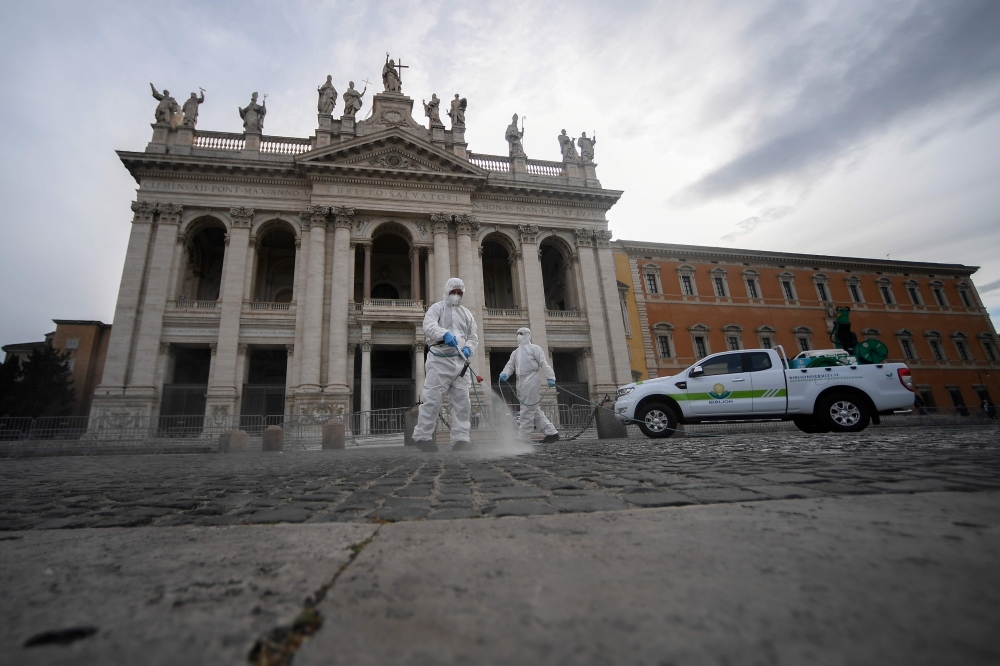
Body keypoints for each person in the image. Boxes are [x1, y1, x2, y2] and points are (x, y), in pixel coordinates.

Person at [411, 277, 479, 452]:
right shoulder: (436, 308)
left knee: (462, 403)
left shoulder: (467, 314)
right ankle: (422, 437)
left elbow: (473, 337)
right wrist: (443, 334)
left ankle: (461, 439)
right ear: (447, 292)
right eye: (453, 292)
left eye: (459, 293)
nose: (456, 295)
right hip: (439, 360)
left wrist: (469, 349)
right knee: (432, 400)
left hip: (460, 363)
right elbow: (428, 326)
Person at [500, 327, 559, 444]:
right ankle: (551, 432)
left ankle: (522, 437)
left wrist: (550, 377)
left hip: (532, 379)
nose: (518, 336)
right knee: (533, 409)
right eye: (517, 334)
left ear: (527, 335)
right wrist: (504, 374)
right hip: (520, 381)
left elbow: (544, 363)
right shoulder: (515, 352)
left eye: (521, 333)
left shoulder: (535, 348)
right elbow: (510, 366)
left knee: (526, 409)